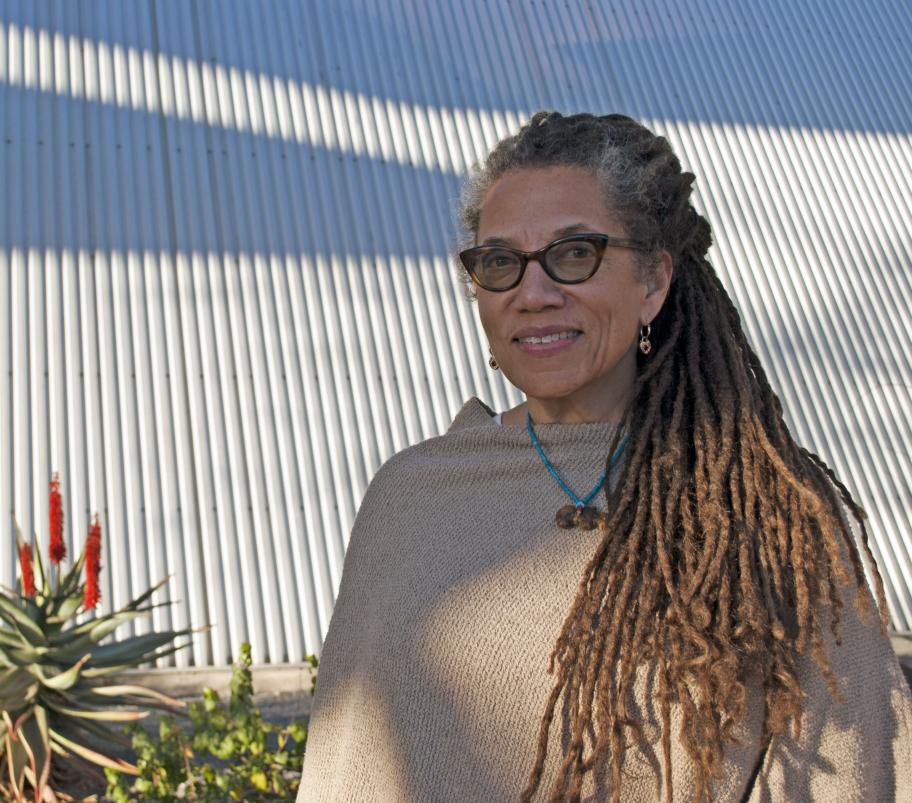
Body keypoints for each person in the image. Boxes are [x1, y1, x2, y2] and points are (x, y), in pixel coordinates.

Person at [296, 111, 912, 802]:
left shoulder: (769, 510)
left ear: (652, 281)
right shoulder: (410, 498)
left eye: (574, 253)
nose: (533, 293)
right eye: (500, 262)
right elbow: (344, 768)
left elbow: (847, 772)